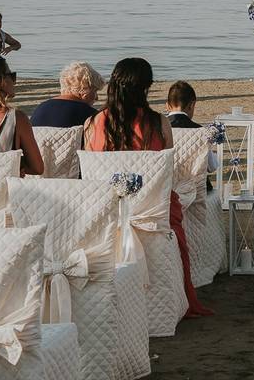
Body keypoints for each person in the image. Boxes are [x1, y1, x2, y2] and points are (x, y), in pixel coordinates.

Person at [84, 57, 213, 318]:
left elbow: (91, 178)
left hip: (107, 212)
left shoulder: (93, 124)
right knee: (173, 202)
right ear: (145, 88)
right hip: (152, 212)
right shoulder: (158, 124)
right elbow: (164, 175)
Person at [30, 61, 105, 128]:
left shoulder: (40, 109)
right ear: (84, 91)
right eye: (95, 91)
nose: (97, 98)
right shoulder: (89, 115)